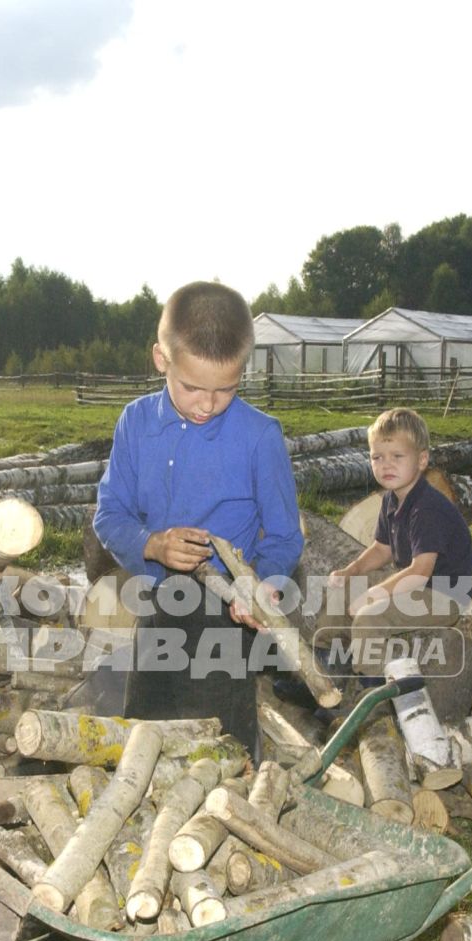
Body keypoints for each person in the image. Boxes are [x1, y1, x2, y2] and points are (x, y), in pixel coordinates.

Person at [92, 282, 302, 756]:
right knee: (146, 733)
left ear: (241, 370)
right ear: (161, 359)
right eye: (192, 388)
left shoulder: (260, 436)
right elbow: (110, 513)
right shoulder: (135, 423)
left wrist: (260, 585)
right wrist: (151, 545)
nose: (207, 404)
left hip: (229, 615)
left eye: (225, 390)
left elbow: (286, 535)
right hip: (159, 602)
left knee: (221, 744)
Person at [323, 407, 472, 674]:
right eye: (377, 457)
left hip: (443, 594)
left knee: (370, 617)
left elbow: (420, 572)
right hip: (416, 585)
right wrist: (352, 571)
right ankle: (326, 667)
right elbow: (382, 550)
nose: (386, 465)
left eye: (397, 456)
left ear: (421, 460)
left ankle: (372, 695)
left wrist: (374, 595)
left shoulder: (427, 508)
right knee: (344, 589)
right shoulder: (391, 500)